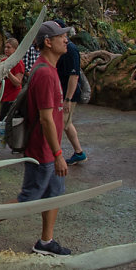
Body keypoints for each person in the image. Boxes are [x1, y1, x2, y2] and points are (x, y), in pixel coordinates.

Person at [0, 20, 72, 256]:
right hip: (42, 151)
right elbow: (45, 119)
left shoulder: (50, 69)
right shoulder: (44, 74)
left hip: (49, 149)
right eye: (61, 36)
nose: (66, 39)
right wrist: (58, 154)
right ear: (48, 42)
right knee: (29, 198)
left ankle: (45, 242)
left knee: (54, 194)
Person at [54, 19, 87, 164]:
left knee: (61, 123)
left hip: (69, 93)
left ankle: (54, 155)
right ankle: (79, 152)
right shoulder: (60, 47)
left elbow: (74, 76)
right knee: (66, 124)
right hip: (62, 91)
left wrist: (68, 99)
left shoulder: (71, 49)